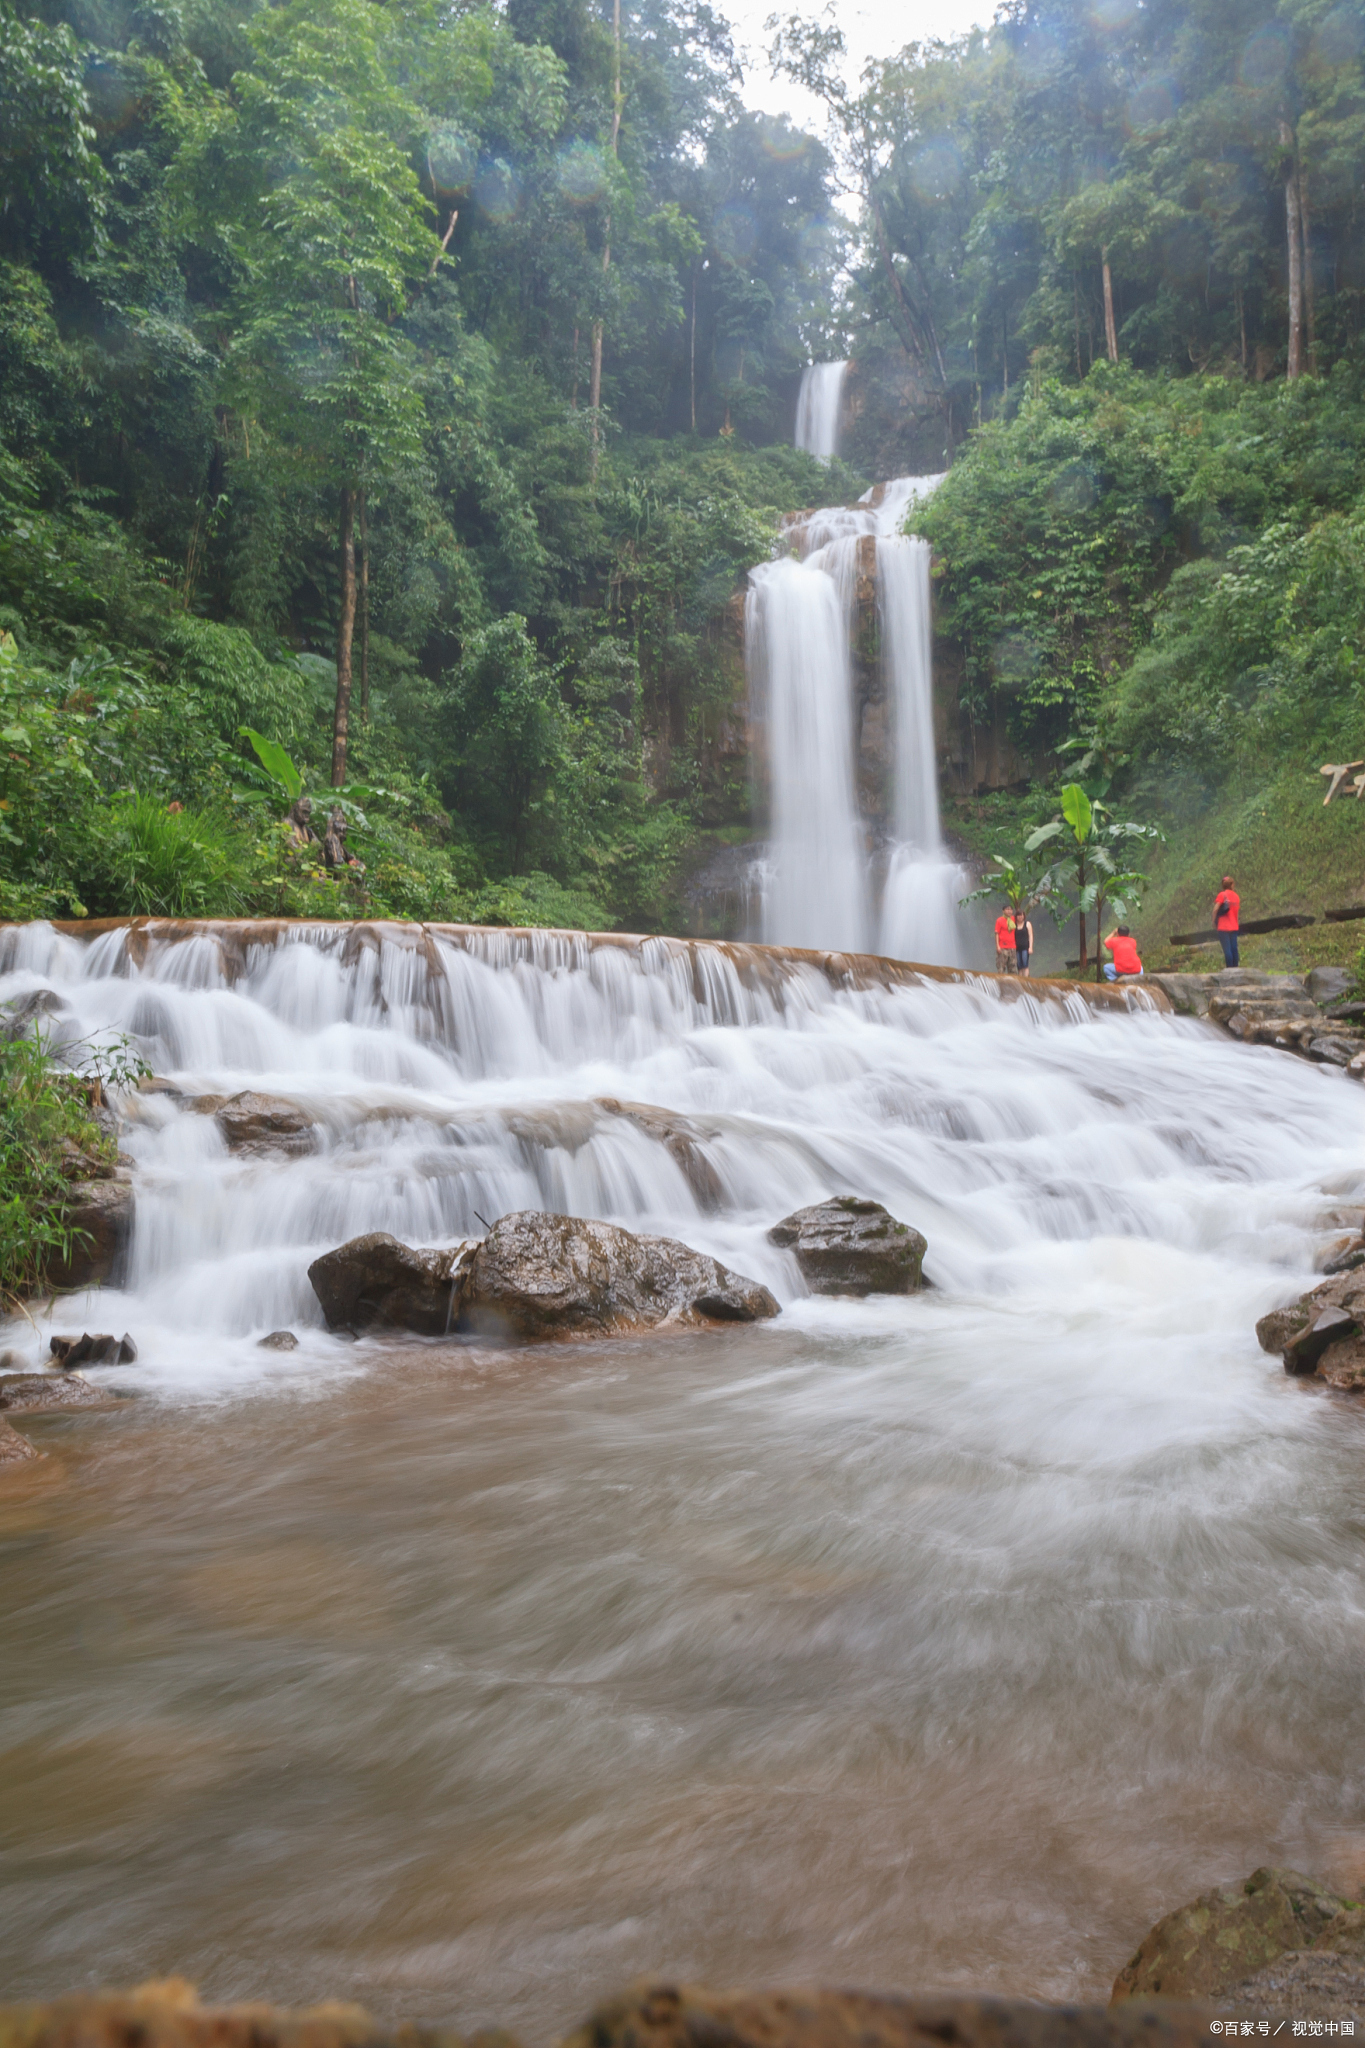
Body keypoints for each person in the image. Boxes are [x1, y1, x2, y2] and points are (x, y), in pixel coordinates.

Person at [1213, 874, 1240, 968]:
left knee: (1227, 950)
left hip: (1223, 927)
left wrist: (1213, 921)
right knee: (1234, 949)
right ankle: (1236, 968)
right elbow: (1236, 912)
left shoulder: (1222, 895)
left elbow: (1216, 909)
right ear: (1232, 885)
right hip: (1234, 926)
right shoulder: (1236, 897)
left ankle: (1229, 969)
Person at [1012, 908, 1033, 978]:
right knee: (1019, 965)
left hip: (1025, 947)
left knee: (1025, 964)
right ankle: (1020, 979)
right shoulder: (1014, 925)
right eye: (1018, 915)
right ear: (1016, 916)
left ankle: (1026, 979)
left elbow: (1030, 936)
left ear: (1024, 916)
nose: (1020, 917)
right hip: (1017, 948)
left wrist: (1030, 947)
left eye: (1021, 915)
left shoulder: (1027, 924)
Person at [995, 907, 1015, 973]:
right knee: (1001, 968)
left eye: (1010, 909)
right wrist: (997, 946)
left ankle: (1012, 983)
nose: (1009, 911)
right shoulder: (999, 920)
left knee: (1013, 968)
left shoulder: (1014, 919)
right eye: (1007, 909)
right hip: (1003, 947)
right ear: (1003, 911)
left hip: (1012, 947)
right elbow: (997, 933)